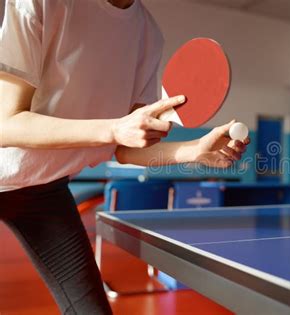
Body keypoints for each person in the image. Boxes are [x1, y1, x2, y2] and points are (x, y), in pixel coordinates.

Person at [0, 0, 249, 313]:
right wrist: (114, 128)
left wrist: (194, 151)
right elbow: (5, 125)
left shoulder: (147, 34)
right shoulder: (43, 4)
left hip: (45, 190)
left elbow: (127, 148)